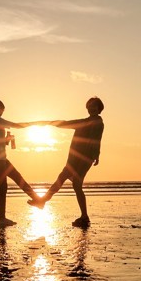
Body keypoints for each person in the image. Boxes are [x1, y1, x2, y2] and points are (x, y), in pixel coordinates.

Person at [30, 97, 105, 227]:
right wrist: (50, 123)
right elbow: (66, 123)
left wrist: (96, 155)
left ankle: (44, 201)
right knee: (74, 184)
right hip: (74, 158)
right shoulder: (84, 121)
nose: (91, 108)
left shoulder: (98, 123)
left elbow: (97, 140)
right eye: (89, 106)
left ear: (99, 108)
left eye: (94, 106)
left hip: (84, 158)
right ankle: (84, 216)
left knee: (69, 181)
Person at [0, 99, 44, 227]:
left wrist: (7, 140)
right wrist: (33, 124)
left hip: (0, 159)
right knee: (3, 188)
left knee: (18, 178)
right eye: (2, 108)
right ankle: (2, 219)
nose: (3, 111)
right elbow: (16, 125)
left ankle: (38, 200)